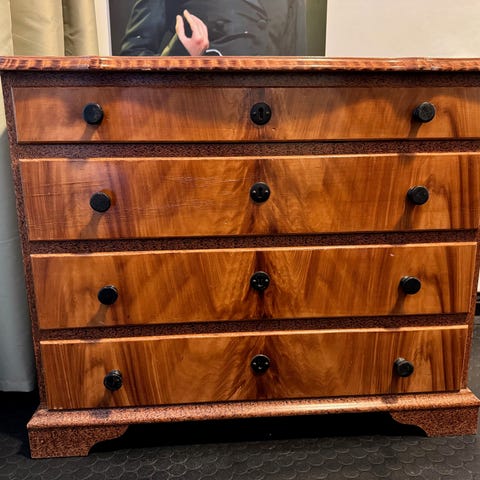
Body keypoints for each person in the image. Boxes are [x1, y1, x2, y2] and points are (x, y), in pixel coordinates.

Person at [120, 0, 305, 56]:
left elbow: (295, 66)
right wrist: (181, 57)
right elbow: (132, 59)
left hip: (269, 126)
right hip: (201, 120)